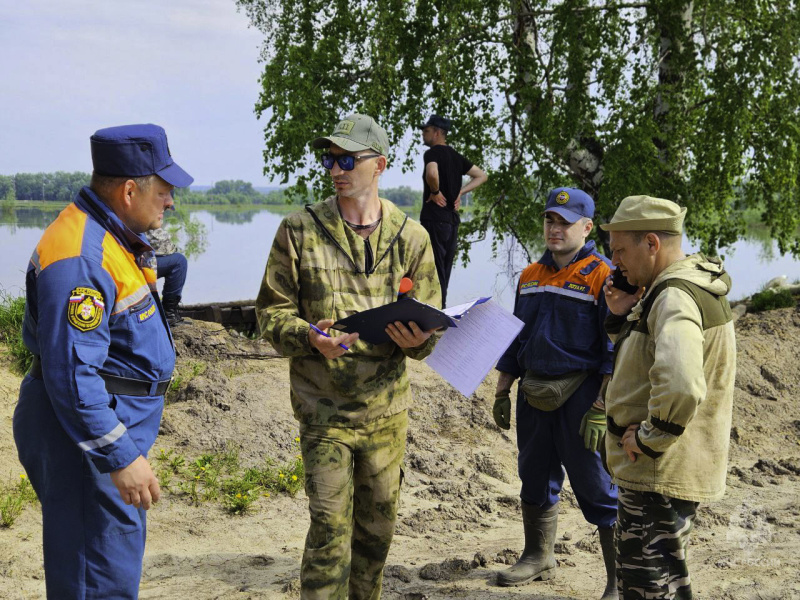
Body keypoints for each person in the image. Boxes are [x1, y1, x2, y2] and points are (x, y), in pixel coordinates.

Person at [256, 113, 441, 600]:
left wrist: (414, 341)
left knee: (376, 536)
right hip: (323, 412)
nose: (335, 169)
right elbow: (271, 315)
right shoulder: (298, 231)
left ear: (378, 165)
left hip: (386, 414)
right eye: (329, 159)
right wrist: (308, 336)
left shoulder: (412, 238)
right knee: (329, 532)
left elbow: (431, 334)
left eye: (346, 159)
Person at [13, 124, 193, 599]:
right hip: (83, 439)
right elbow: (72, 377)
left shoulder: (111, 237)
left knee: (105, 567)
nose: (170, 201)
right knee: (97, 580)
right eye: (165, 189)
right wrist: (120, 455)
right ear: (130, 190)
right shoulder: (81, 256)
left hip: (102, 430)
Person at [599, 196, 736, 599]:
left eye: (621, 251)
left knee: (649, 587)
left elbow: (681, 382)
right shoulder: (677, 289)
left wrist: (648, 436)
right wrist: (624, 313)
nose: (616, 263)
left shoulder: (673, 296)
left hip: (657, 471)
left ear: (652, 243)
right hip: (664, 468)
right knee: (664, 583)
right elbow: (647, 360)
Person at [493, 188, 618, 599]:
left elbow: (613, 348)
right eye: (550, 219)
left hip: (582, 398)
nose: (555, 228)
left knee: (596, 484)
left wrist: (601, 406)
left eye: (565, 222)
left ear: (586, 227)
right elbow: (516, 337)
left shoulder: (604, 275)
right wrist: (503, 389)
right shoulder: (529, 275)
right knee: (533, 473)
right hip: (532, 394)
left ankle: (618, 580)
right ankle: (538, 556)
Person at [418, 114, 487, 307]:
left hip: (434, 218)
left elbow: (432, 173)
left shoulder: (432, 153)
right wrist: (460, 192)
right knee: (445, 269)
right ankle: (441, 309)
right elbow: (481, 176)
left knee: (432, 268)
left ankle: (434, 310)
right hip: (451, 221)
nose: (423, 134)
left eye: (427, 130)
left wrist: (435, 191)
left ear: (438, 132)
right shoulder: (456, 157)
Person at [145, 224, 188, 327]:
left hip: (125, 261)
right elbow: (160, 241)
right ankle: (169, 315)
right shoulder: (143, 211)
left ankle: (168, 313)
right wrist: (174, 248)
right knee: (179, 261)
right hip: (132, 265)